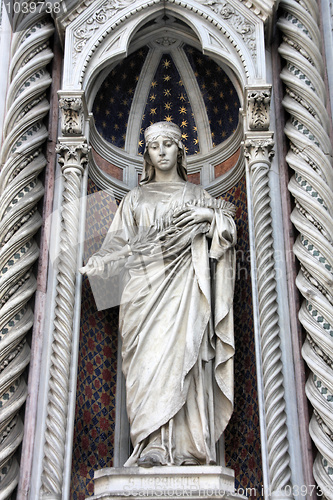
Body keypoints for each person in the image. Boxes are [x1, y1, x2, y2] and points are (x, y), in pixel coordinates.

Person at [81, 121, 236, 468]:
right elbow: (116, 246)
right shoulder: (134, 198)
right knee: (147, 366)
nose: (162, 151)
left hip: (185, 292)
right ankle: (150, 445)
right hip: (143, 296)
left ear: (180, 151)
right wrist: (98, 262)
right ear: (147, 154)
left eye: (169, 144)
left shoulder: (197, 195)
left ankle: (187, 448)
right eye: (155, 146)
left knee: (186, 360)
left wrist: (207, 216)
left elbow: (229, 227)